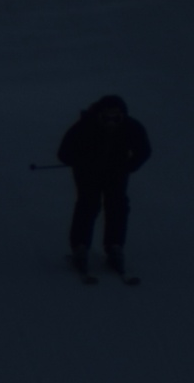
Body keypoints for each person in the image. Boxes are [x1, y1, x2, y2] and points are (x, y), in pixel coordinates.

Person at [57, 95, 151, 276]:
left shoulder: (131, 127)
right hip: (88, 174)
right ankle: (80, 246)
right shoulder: (84, 126)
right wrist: (83, 162)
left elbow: (144, 150)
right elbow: (64, 153)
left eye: (116, 117)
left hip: (116, 173)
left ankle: (115, 246)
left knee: (117, 206)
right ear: (98, 114)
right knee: (88, 205)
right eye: (106, 116)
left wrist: (128, 166)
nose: (111, 121)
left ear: (123, 115)